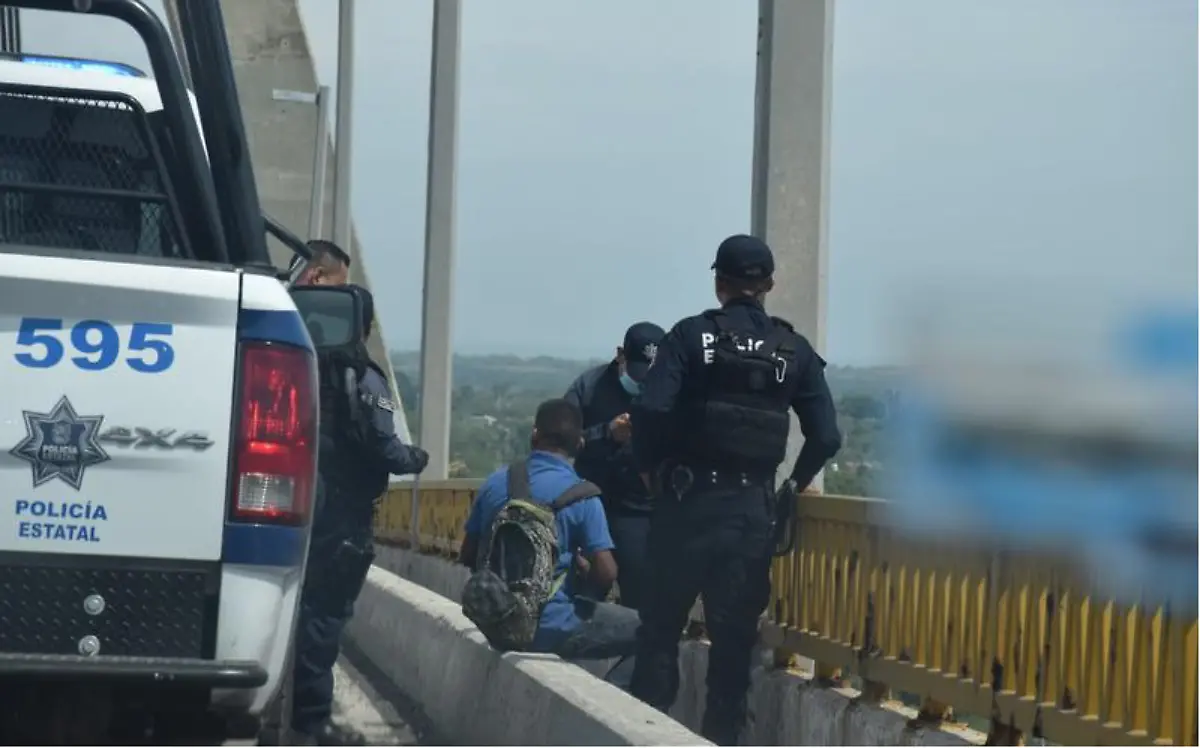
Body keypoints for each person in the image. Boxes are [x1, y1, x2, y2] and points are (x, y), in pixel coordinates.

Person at [627, 234, 842, 745]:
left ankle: (636, 733)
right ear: (767, 285)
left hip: (685, 507)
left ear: (719, 282)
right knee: (732, 654)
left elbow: (652, 409)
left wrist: (650, 468)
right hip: (750, 516)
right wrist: (792, 484)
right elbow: (827, 435)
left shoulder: (690, 336)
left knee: (659, 635)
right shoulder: (793, 349)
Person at [291, 284, 429, 746]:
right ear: (364, 326)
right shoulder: (363, 377)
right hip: (343, 514)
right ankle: (308, 721)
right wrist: (416, 458)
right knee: (325, 613)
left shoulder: (291, 366)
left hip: (290, 503)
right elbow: (384, 446)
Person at [458, 399, 640, 677]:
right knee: (653, 634)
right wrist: (582, 585)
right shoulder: (583, 495)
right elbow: (607, 572)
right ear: (579, 444)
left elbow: (468, 554)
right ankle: (607, 705)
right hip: (552, 627)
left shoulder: (495, 482)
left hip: (494, 622)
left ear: (534, 435)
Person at [564, 321, 665, 611]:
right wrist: (606, 433)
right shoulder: (589, 387)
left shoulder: (668, 389)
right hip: (590, 504)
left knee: (641, 600)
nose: (642, 381)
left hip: (638, 512)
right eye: (637, 373)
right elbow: (561, 440)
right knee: (582, 595)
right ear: (620, 355)